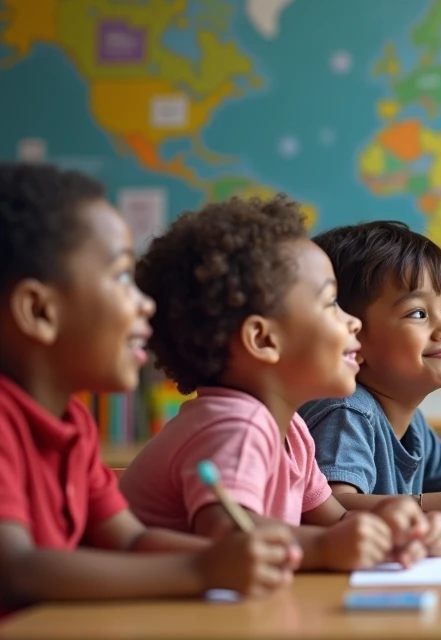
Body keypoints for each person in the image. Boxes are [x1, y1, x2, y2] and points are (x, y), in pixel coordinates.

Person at [0, 164, 300, 613]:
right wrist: (201, 571)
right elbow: (15, 570)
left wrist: (239, 558)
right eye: (123, 278)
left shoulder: (74, 423)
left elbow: (130, 540)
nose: (147, 304)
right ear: (39, 310)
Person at [119, 197, 441, 571]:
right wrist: (325, 547)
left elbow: (335, 521)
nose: (354, 322)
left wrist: (395, 526)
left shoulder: (291, 430)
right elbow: (231, 535)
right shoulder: (234, 426)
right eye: (330, 304)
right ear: (263, 340)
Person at [300, 221, 441, 526]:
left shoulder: (413, 425)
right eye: (418, 313)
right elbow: (335, 507)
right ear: (353, 336)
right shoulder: (348, 411)